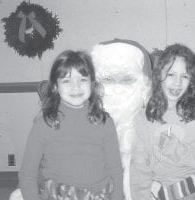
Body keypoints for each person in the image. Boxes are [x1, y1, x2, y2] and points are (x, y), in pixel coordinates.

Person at [130, 44, 195, 200]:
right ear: (159, 76)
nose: (177, 82)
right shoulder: (142, 118)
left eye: (184, 76)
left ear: (191, 80)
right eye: (171, 74)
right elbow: (139, 168)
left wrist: (179, 151)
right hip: (162, 190)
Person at [19, 50, 123, 200]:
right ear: (55, 86)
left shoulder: (105, 122)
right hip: (56, 195)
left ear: (92, 84)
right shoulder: (44, 124)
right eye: (66, 81)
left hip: (99, 196)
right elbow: (28, 174)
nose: (76, 87)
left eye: (82, 80)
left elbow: (115, 170)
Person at [91, 39, 152, 200]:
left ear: (144, 88)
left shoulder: (150, 127)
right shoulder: (80, 121)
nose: (117, 89)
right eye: (108, 80)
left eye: (127, 80)